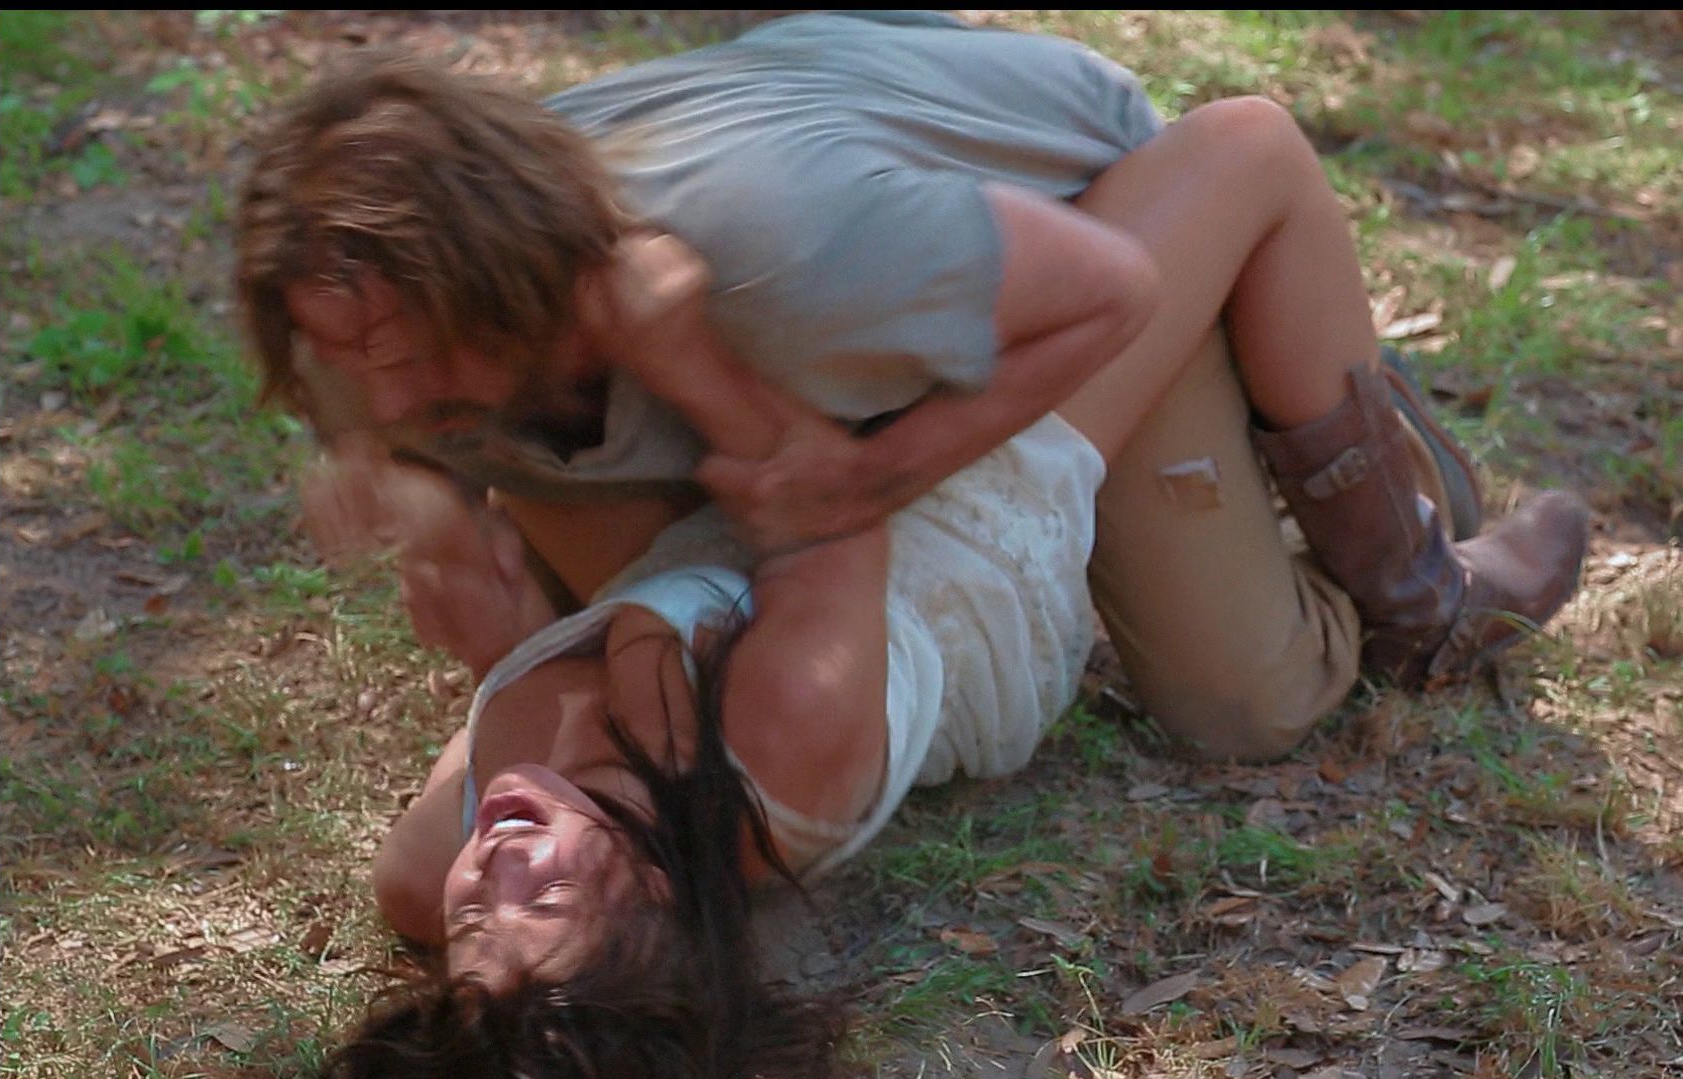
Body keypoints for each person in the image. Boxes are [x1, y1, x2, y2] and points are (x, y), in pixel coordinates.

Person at [236, 12, 1590, 766]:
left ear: (504, 278)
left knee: (1246, 701)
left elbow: (1110, 289)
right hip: (869, 299)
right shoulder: (377, 319)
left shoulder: (783, 258)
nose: (381, 399)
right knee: (710, 699)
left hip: (1081, 229)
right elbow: (389, 398)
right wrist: (431, 508)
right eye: (350, 364)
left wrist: (878, 475)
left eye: (406, 357)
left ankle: (1415, 570)